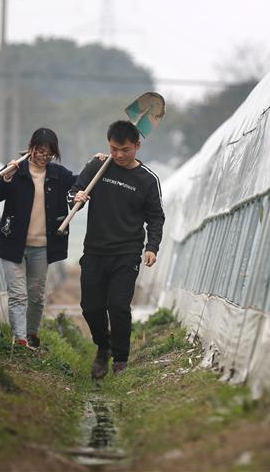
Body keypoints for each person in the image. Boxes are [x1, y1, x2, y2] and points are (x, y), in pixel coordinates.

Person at [70, 120, 165, 378]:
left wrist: (152, 246)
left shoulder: (147, 179)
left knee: (119, 306)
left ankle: (120, 360)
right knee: (91, 307)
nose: (119, 155)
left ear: (137, 145)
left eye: (125, 149)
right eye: (114, 149)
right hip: (95, 251)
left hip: (126, 253)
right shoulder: (98, 167)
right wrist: (76, 198)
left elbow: (155, 217)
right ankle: (104, 346)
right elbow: (74, 190)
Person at [0, 128, 77, 349]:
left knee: (36, 295)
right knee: (17, 294)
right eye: (40, 151)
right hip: (13, 243)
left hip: (42, 247)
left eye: (49, 153)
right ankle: (19, 339)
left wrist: (97, 162)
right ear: (31, 148)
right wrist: (6, 177)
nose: (44, 156)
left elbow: (79, 183)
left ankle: (31, 334)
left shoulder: (59, 175)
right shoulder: (16, 170)